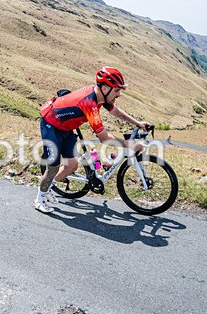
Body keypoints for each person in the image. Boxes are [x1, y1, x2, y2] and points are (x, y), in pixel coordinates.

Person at [34, 66, 151, 213]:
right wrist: (128, 144)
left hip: (66, 127)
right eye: (116, 90)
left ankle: (49, 187)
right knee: (54, 167)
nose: (119, 94)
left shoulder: (101, 95)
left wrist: (138, 123)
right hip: (50, 124)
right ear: (105, 87)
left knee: (72, 166)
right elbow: (104, 138)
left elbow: (116, 111)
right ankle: (39, 199)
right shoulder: (89, 103)